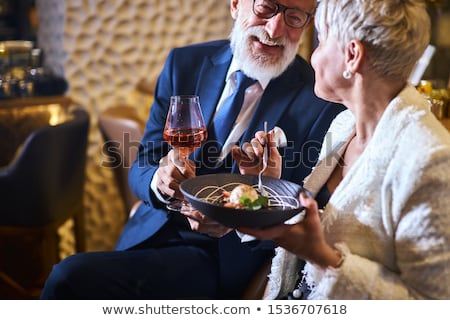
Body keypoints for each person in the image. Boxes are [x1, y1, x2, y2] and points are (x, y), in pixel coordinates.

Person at [40, 0, 345, 299]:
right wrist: (157, 182)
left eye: (294, 18)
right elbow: (144, 160)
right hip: (151, 231)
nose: (275, 28)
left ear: (307, 25)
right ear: (236, 5)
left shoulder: (319, 102)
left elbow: (298, 213)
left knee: (68, 278)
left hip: (220, 259)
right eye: (266, 8)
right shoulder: (184, 64)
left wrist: (243, 220)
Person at [234, 0, 450, 299]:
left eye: (321, 41)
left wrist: (325, 258)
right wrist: (270, 187)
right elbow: (313, 233)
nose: (313, 57)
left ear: (352, 56)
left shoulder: (431, 160)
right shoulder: (344, 124)